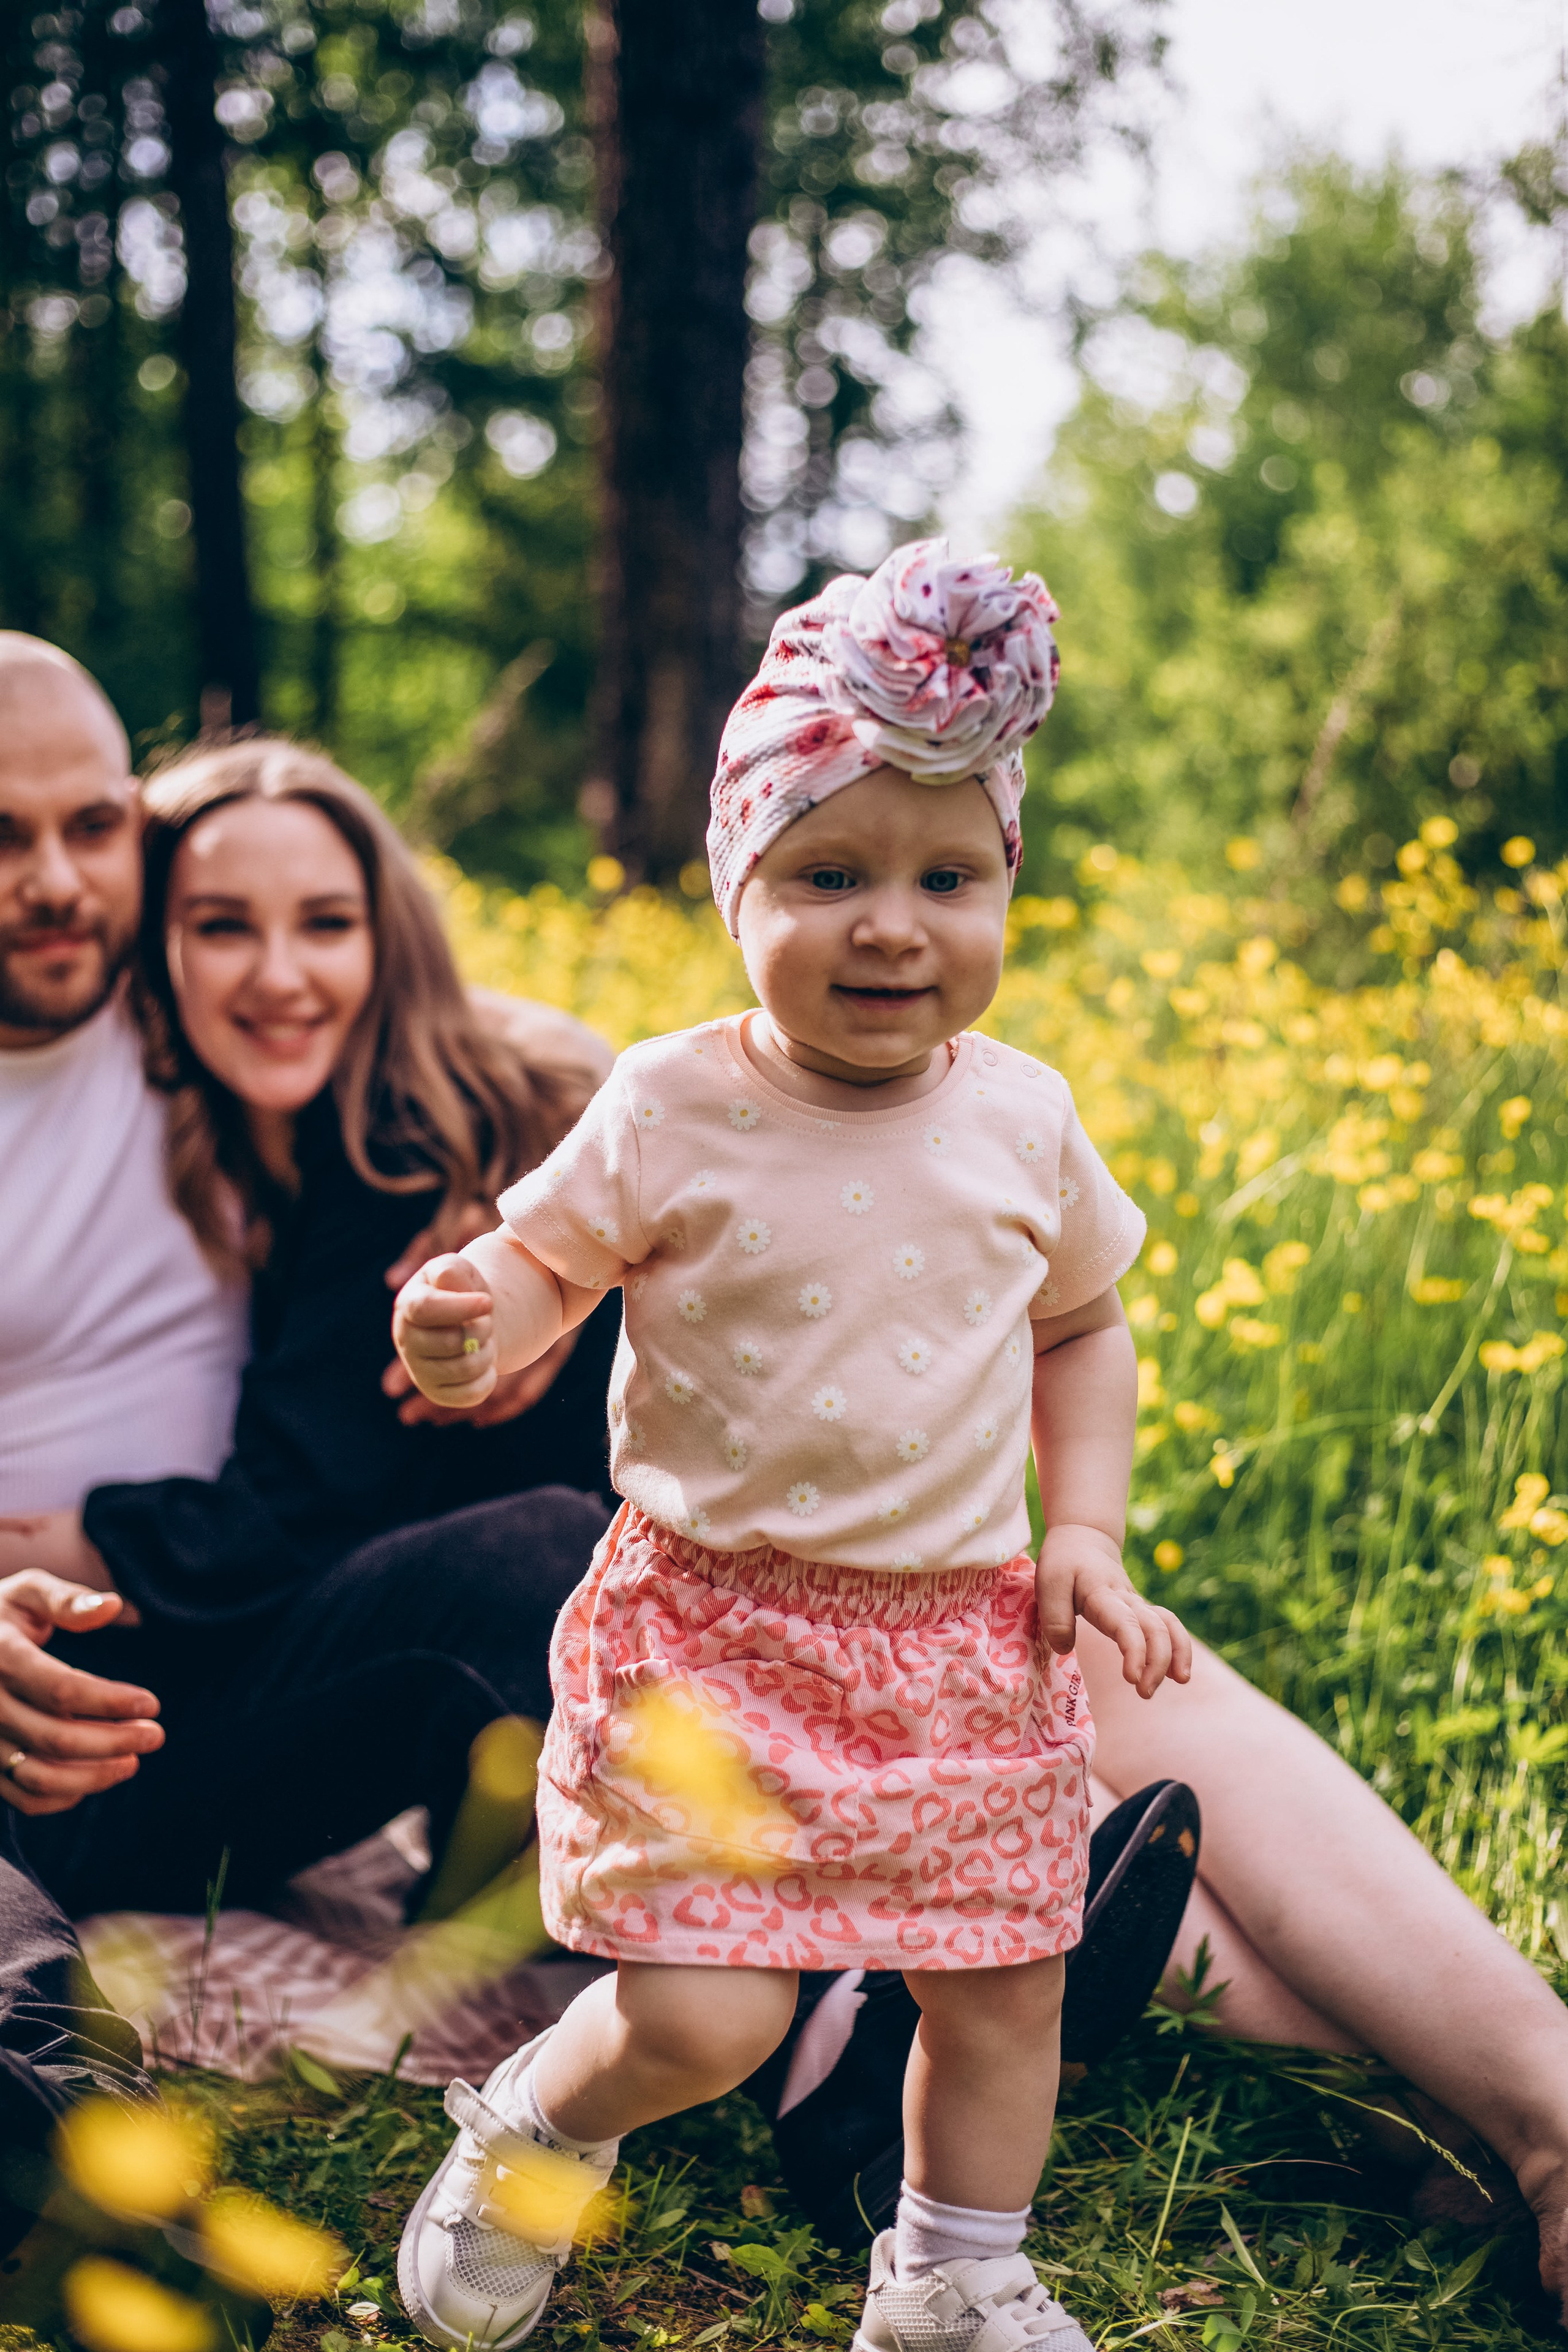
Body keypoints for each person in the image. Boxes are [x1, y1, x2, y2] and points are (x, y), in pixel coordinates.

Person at [391, 538, 1193, 2352]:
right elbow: (539, 1266)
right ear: (736, 885)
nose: (893, 924)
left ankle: (951, 2272)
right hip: (714, 1628)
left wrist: (1094, 1531)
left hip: (965, 1637)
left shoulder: (1026, 1118)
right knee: (706, 2019)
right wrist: (470, 1327)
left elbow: (1082, 1325)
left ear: (1005, 888)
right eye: (828, 873)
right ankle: (531, 2135)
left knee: (1000, 1988)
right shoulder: (673, 1100)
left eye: (948, 876)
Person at [0, 675, 614, 2163]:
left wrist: (539, 1229)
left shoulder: (170, 1015)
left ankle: (875, 1984)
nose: (56, 882)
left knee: (553, 1552)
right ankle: (55, 2109)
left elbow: (424, 1005)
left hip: (236, 1653)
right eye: (4, 838)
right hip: (42, 1701)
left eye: (93, 829)